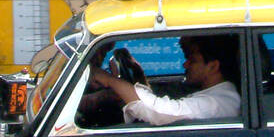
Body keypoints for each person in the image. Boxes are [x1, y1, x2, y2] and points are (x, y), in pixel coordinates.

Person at [90, 34, 240, 125]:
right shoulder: (219, 94)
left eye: (191, 60)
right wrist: (140, 77)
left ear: (213, 66)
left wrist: (110, 80)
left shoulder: (216, 103)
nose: (185, 64)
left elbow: (159, 112)